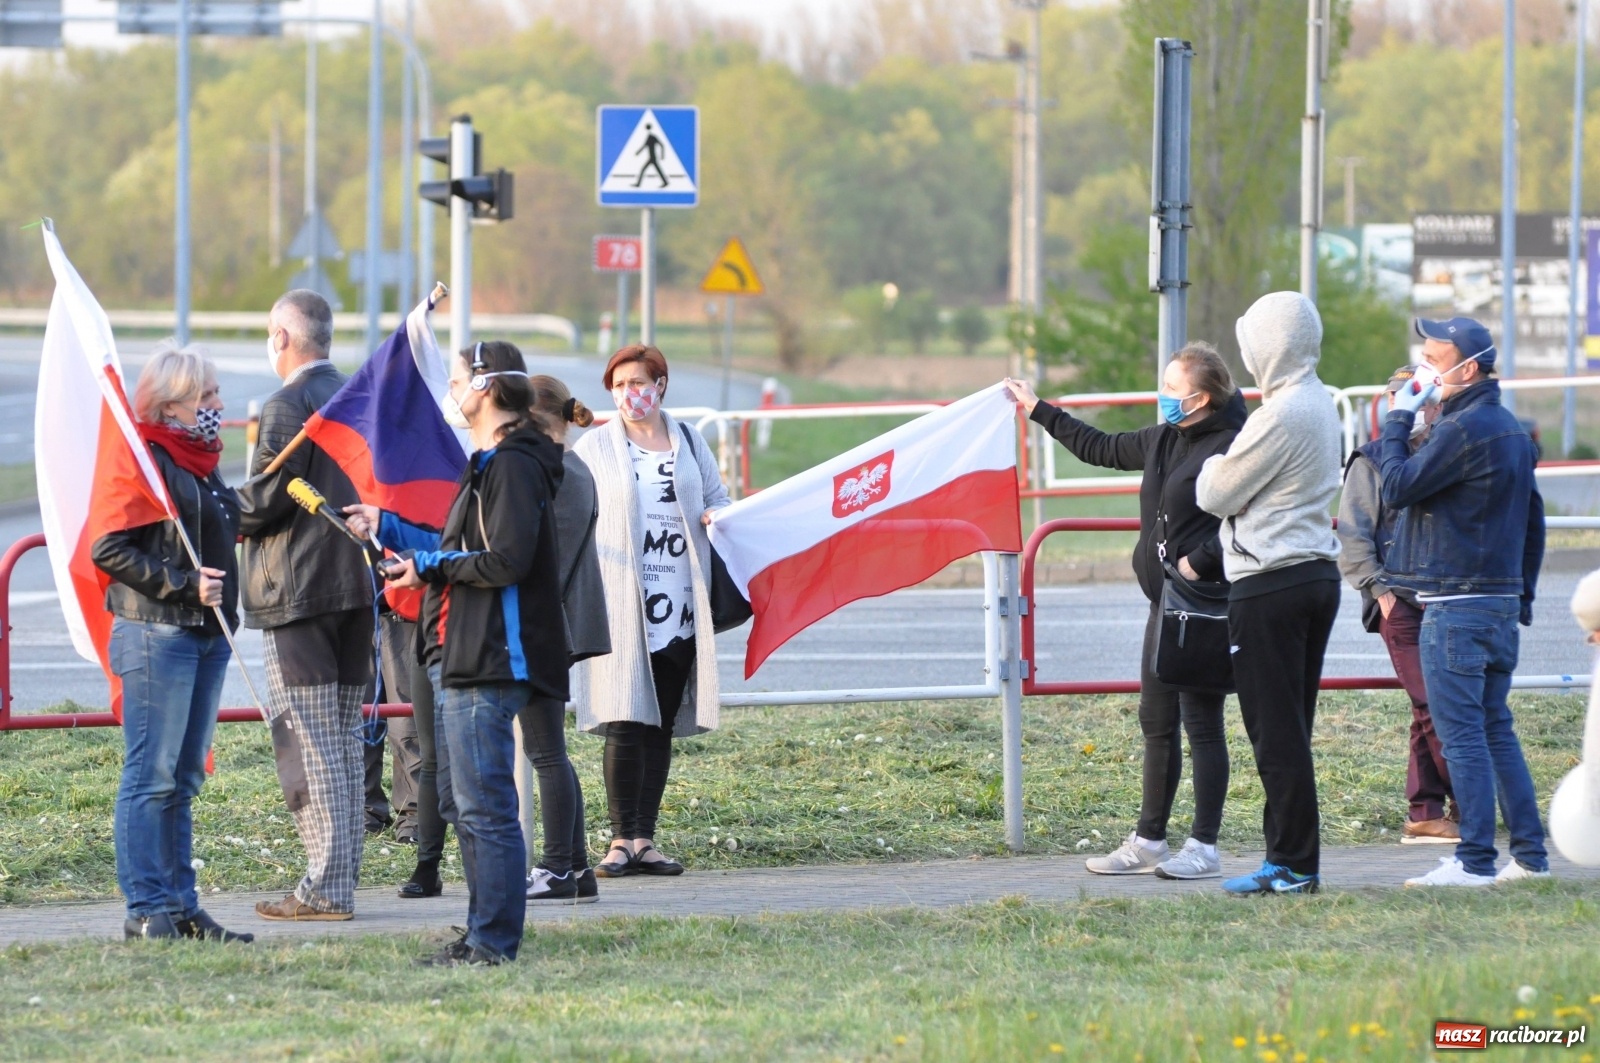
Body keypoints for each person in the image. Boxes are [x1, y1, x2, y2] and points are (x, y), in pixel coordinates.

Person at [346, 340, 572, 966]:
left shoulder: (513, 466)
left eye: (458, 379)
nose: (450, 390)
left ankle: (493, 941)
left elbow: (505, 560)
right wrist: (389, 528)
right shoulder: (492, 463)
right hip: (462, 649)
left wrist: (425, 566)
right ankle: (481, 932)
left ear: (488, 387)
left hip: (489, 656)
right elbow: (459, 544)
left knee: (485, 807)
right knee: (469, 806)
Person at [1004, 342, 1246, 880]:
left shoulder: (1233, 445)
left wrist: (1198, 563)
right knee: (1156, 721)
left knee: (1202, 724)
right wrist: (1039, 409)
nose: (1162, 396)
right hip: (1164, 604)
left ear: (1201, 397)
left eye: (1171, 388)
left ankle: (1204, 846)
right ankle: (1149, 841)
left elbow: (1245, 522)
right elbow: (1101, 448)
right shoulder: (1165, 437)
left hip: (1206, 605)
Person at [1378, 317, 1550, 888]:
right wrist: (1520, 597)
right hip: (1497, 605)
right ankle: (1529, 857)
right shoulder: (1510, 430)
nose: (1423, 366)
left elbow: (1397, 485)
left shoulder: (1462, 430)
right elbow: (1534, 521)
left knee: (1465, 736)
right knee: (1495, 728)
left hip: (1454, 604)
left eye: (1434, 355)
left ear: (1467, 367)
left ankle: (1475, 861)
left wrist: (1399, 419)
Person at [92, 342, 253, 943]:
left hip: (207, 635)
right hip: (156, 633)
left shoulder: (202, 462)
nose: (217, 404)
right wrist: (184, 584)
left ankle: (182, 906)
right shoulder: (146, 459)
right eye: (206, 395)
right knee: (152, 773)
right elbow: (108, 548)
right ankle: (144, 907)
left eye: (214, 392)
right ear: (174, 403)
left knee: (184, 776)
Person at [1195, 291, 1343, 896]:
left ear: (1269, 346)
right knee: (1291, 727)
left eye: (1251, 342)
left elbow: (1215, 491)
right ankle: (1287, 858)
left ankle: (1293, 865)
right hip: (1312, 573)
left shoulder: (1278, 415)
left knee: (1274, 733)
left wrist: (1220, 470)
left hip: (1269, 582)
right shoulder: (1322, 402)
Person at [237, 289, 375, 922]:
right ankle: (337, 883)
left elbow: (266, 501)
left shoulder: (287, 404)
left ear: (282, 337)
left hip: (298, 592)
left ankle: (324, 890)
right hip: (357, 586)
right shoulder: (357, 395)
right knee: (345, 743)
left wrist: (212, 507)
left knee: (312, 742)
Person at [572, 344, 730, 878]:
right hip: (620, 603)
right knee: (625, 720)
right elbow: (572, 511)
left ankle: (645, 839)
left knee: (658, 724)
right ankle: (618, 840)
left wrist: (715, 517)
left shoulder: (687, 440)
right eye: (618, 386)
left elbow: (720, 499)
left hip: (681, 607)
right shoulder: (594, 447)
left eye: (638, 383)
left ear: (661, 385)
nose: (628, 395)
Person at [1336, 366, 1458, 844]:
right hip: (1401, 601)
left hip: (1446, 597)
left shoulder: (1448, 453)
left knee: (1425, 706)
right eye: (1402, 397)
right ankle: (1468, 805)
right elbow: (1354, 535)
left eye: (1423, 398)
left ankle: (1425, 810)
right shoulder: (1369, 462)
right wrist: (1380, 592)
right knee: (1435, 704)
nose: (1411, 407)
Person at [522, 375, 611, 903]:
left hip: (542, 622)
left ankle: (558, 868)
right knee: (551, 750)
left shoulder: (548, 472)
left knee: (546, 752)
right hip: (563, 619)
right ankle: (576, 869)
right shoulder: (575, 468)